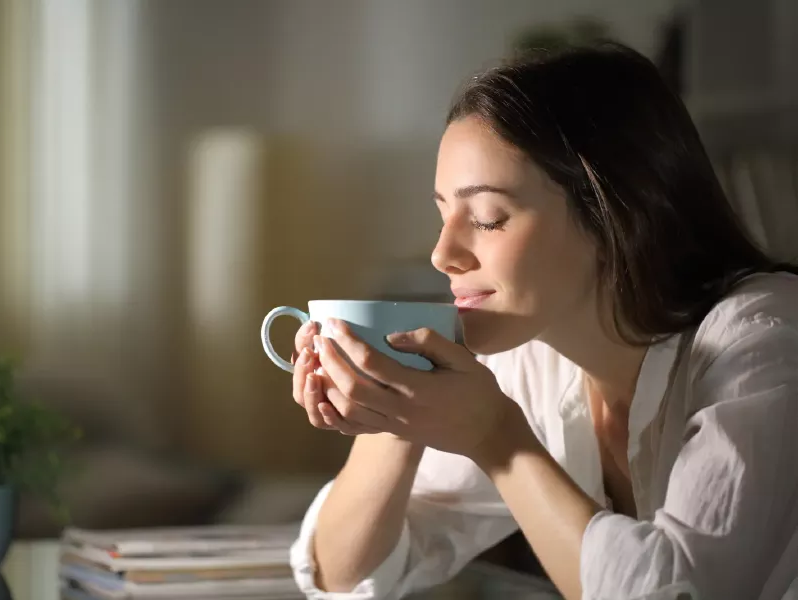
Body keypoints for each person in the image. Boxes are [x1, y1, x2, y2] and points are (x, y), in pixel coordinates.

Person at [287, 42, 798, 600]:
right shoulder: (530, 357)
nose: (442, 254)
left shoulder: (764, 338)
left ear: (612, 216)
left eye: (487, 218)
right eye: (442, 214)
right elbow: (339, 576)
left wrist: (499, 440)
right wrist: (395, 408)